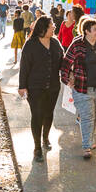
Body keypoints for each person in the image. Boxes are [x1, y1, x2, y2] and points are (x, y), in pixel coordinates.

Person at [61, 17, 96, 159]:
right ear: (87, 31)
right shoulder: (77, 45)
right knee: (87, 117)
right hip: (82, 87)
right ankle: (86, 147)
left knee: (95, 115)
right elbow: (66, 63)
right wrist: (66, 79)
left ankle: (90, 138)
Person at [18, 16, 64, 162]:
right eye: (52, 26)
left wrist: (70, 74)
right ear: (43, 28)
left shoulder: (55, 43)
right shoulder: (30, 44)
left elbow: (63, 62)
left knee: (48, 113)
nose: (54, 28)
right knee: (37, 115)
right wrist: (22, 86)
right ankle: (37, 147)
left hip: (53, 87)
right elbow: (24, 67)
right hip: (35, 87)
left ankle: (45, 138)